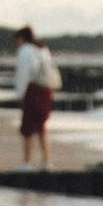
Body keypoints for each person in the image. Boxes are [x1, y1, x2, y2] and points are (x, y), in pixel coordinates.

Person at [13, 25, 60, 170]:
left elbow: (23, 75)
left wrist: (20, 94)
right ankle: (46, 162)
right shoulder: (43, 49)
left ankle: (27, 162)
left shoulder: (25, 51)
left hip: (33, 90)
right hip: (47, 90)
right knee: (41, 126)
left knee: (28, 128)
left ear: (22, 38)